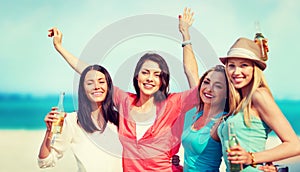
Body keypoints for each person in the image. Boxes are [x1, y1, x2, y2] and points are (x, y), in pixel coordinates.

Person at [48, 27, 200, 171]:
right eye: (145, 72)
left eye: (157, 75)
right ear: (137, 76)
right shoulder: (125, 100)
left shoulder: (175, 103)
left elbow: (195, 81)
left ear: (163, 80)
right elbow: (90, 73)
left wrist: (185, 36)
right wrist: (60, 47)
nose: (150, 79)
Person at [217, 37, 300, 171]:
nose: (236, 72)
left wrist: (252, 157)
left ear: (255, 69)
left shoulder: (259, 95)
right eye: (231, 65)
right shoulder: (238, 102)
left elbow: (295, 145)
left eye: (244, 65)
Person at [37, 65, 122, 172]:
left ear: (108, 86)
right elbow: (45, 162)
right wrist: (49, 132)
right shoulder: (72, 121)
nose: (96, 86)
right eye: (90, 83)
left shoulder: (120, 119)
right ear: (83, 89)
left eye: (101, 82)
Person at [178, 8, 233, 171]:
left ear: (226, 94)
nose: (209, 89)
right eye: (207, 82)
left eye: (218, 86)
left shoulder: (223, 122)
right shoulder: (200, 112)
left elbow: (238, 154)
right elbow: (190, 71)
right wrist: (185, 34)